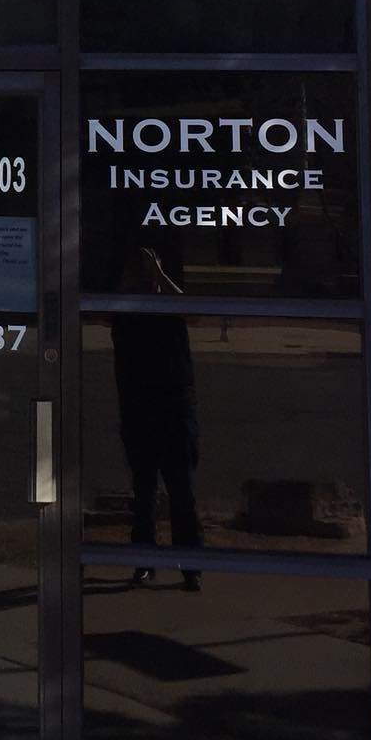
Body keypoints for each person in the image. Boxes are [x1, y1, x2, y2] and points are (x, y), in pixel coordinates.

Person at [110, 245, 203, 591]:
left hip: (175, 409)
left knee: (182, 493)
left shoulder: (168, 310)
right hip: (141, 410)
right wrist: (138, 277)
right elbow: (115, 309)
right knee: (145, 493)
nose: (146, 275)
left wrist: (160, 276)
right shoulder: (128, 315)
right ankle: (145, 563)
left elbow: (190, 310)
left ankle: (191, 565)